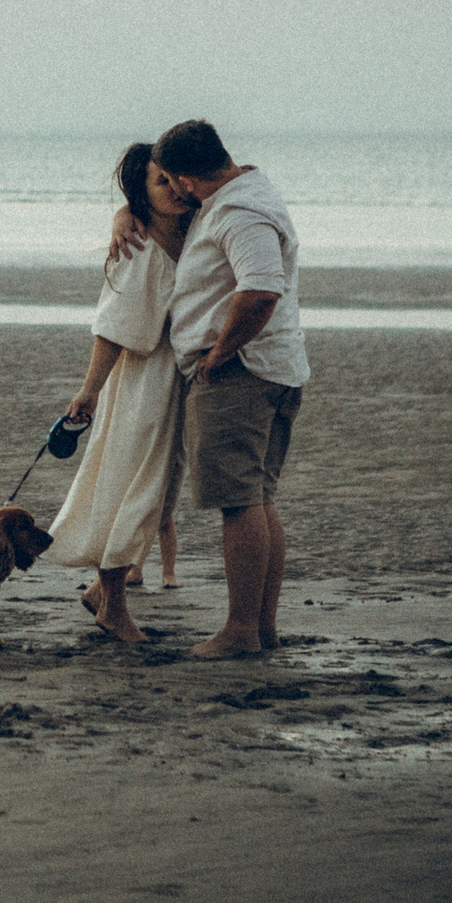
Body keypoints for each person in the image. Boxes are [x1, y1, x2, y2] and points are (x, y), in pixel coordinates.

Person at [117, 120, 308, 660]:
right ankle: (262, 628)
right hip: (270, 368)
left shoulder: (238, 212)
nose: (175, 193)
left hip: (241, 374)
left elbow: (261, 290)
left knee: (239, 503)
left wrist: (220, 353)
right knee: (258, 498)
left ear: (186, 178)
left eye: (172, 181)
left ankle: (241, 629)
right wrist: (125, 214)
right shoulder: (238, 192)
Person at [45, 143, 193, 643]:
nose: (173, 189)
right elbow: (110, 327)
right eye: (160, 182)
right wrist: (89, 390)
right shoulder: (137, 248)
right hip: (140, 384)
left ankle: (101, 593)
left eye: (175, 178)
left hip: (176, 381)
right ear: (140, 194)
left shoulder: (194, 230)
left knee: (157, 494)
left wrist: (122, 212)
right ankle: (114, 607)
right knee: (132, 488)